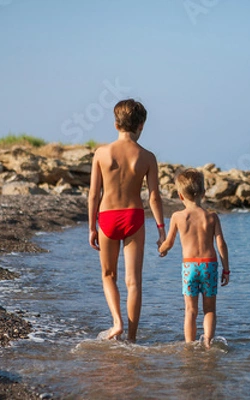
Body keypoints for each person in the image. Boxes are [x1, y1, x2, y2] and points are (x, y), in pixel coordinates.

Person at [88, 99, 166, 342]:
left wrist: (92, 227)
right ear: (141, 125)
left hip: (107, 217)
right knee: (134, 281)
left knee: (108, 274)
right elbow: (154, 197)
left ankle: (117, 322)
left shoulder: (102, 153)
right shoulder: (147, 157)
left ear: (115, 124)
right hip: (134, 217)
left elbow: (93, 195)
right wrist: (162, 230)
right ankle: (131, 339)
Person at [158, 169, 230, 349]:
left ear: (180, 196)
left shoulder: (178, 217)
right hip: (209, 266)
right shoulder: (212, 217)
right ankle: (207, 342)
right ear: (204, 194)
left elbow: (169, 243)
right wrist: (226, 269)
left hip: (189, 267)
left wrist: (162, 249)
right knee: (209, 309)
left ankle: (189, 346)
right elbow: (221, 244)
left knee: (190, 310)